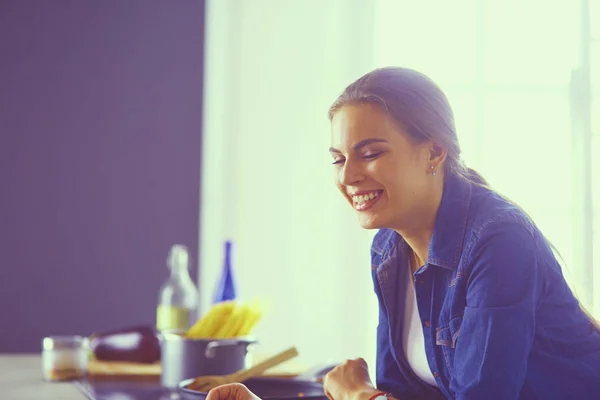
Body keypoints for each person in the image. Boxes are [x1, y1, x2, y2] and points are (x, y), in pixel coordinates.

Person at [207, 67, 600, 399]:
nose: (348, 176)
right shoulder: (388, 249)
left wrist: (358, 394)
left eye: (371, 153)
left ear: (434, 152)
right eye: (338, 159)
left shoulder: (499, 242)